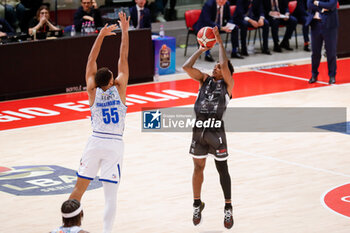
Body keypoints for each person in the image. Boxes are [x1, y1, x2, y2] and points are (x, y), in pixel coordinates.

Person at [69, 12, 129, 233]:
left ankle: (68, 225)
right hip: (114, 144)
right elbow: (123, 56)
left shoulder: (92, 90)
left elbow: (90, 60)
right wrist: (124, 30)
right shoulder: (120, 88)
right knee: (110, 197)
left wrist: (102, 35)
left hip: (95, 141)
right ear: (112, 80)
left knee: (78, 188)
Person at [182, 26, 234, 229]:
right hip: (199, 132)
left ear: (227, 71)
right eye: (215, 67)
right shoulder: (204, 80)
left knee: (222, 169)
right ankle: (197, 203)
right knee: (198, 167)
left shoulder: (228, 85)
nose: (215, 68)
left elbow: (223, 63)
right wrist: (201, 48)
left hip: (216, 133)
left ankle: (228, 208)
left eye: (219, 68)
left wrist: (219, 42)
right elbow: (186, 67)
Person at [306, 0, 338, 84]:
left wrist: (318, 3)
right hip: (315, 24)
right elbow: (309, 5)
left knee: (331, 52)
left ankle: (332, 76)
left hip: (329, 25)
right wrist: (323, 8)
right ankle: (314, 74)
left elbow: (332, 5)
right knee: (315, 52)